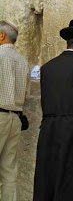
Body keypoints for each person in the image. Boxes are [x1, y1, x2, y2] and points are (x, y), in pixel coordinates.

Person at [33, 19, 73, 201]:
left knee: (49, 175)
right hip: (72, 131)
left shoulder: (47, 67)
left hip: (48, 129)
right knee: (71, 177)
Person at [0, 20, 30, 201]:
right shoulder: (23, 61)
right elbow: (26, 97)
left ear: (1, 35)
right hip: (15, 119)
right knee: (9, 170)